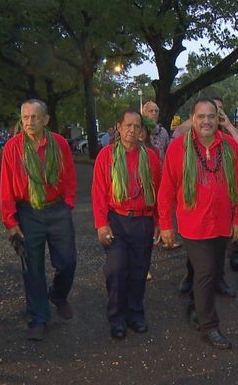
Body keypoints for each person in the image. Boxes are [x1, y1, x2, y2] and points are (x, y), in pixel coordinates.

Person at [158, 97, 238, 350]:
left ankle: (195, 306)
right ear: (192, 120)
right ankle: (210, 326)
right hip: (192, 225)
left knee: (209, 270)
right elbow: (166, 191)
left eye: (211, 116)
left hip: (221, 224)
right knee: (206, 271)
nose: (206, 121)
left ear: (218, 119)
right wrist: (165, 225)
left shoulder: (228, 146)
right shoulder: (178, 148)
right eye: (201, 116)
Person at [0, 99, 77, 341]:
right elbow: (6, 188)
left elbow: (70, 176)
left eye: (35, 117)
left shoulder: (60, 144)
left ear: (45, 120)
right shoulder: (13, 147)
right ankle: (39, 317)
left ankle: (58, 295)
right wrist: (10, 222)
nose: (30, 122)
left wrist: (68, 203)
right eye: (25, 117)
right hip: (27, 212)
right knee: (31, 269)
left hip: (57, 209)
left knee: (67, 262)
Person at [92, 110, 161, 339]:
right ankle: (117, 318)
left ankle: (135, 314)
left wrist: (159, 221)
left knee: (139, 271)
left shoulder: (150, 157)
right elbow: (99, 193)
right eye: (127, 125)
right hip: (117, 220)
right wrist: (102, 224)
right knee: (117, 269)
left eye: (137, 126)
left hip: (142, 220)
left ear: (142, 131)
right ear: (119, 127)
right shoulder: (106, 155)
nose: (132, 130)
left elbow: (159, 191)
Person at [178, 96, 238, 293]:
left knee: (219, 252)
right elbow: (177, 134)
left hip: (223, 208)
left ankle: (217, 281)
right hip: (196, 210)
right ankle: (195, 289)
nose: (208, 119)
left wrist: (227, 124)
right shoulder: (192, 134)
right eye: (204, 114)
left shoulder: (227, 137)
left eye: (215, 114)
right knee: (200, 258)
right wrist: (195, 120)